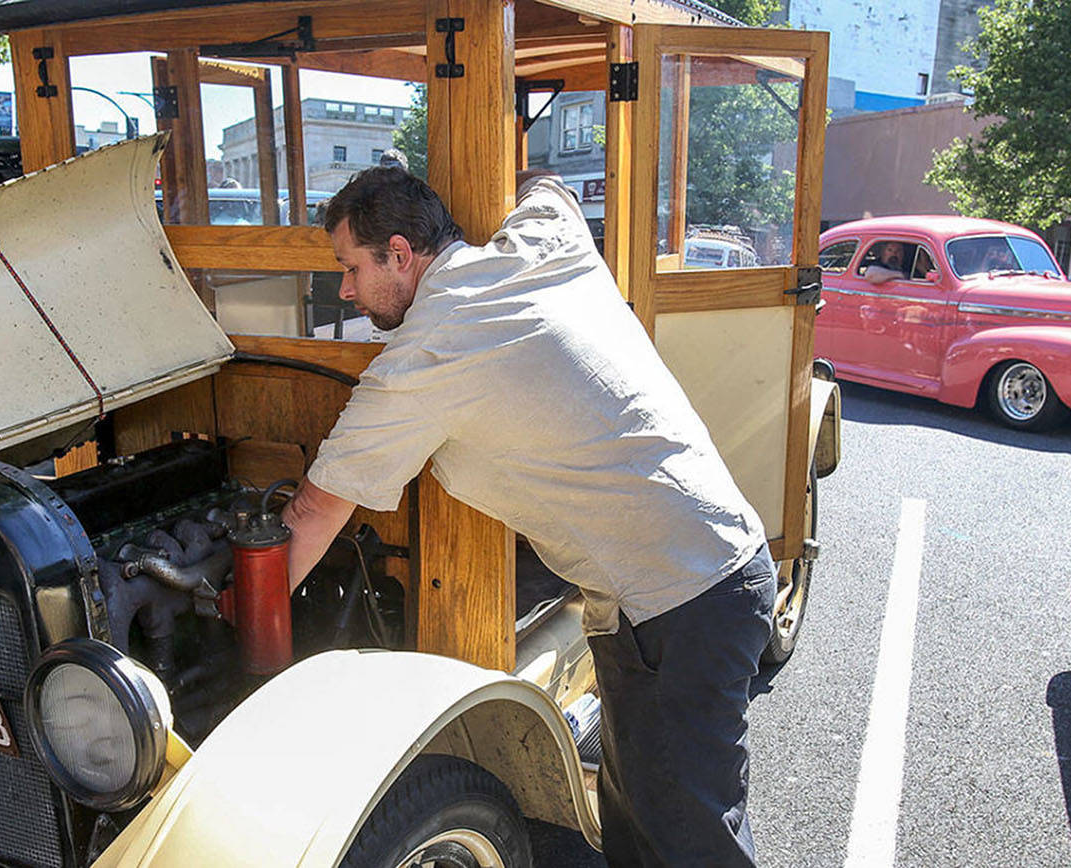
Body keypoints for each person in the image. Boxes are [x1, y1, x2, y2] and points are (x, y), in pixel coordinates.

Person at [280, 165, 775, 867]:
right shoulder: (540, 239)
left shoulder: (428, 352)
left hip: (680, 604)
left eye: (351, 267)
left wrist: (247, 626)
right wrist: (516, 175)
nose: (346, 290)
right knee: (637, 823)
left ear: (399, 253)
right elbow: (550, 186)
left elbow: (316, 509)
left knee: (690, 842)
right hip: (690, 585)